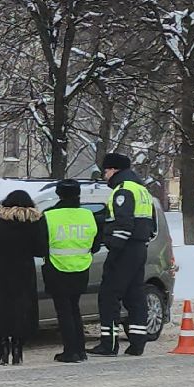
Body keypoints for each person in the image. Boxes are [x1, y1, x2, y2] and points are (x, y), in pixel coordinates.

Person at [92, 152, 157, 356]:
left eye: (106, 171)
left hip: (125, 249)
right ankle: (137, 343)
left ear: (114, 170)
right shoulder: (142, 190)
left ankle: (108, 344)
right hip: (140, 248)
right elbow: (152, 226)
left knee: (109, 295)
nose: (104, 176)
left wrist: (114, 248)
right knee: (135, 295)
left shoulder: (123, 190)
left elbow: (123, 224)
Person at [0, 189, 46, 365]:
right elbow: (41, 250)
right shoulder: (35, 222)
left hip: (0, 271)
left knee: (0, 309)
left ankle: (2, 350)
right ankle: (18, 349)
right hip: (24, 272)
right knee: (21, 309)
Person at [42, 178, 102, 364]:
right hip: (81, 269)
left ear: (58, 194)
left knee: (64, 311)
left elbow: (40, 244)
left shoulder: (49, 215)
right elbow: (96, 245)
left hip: (57, 268)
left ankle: (70, 351)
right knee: (75, 309)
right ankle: (80, 350)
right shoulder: (88, 215)